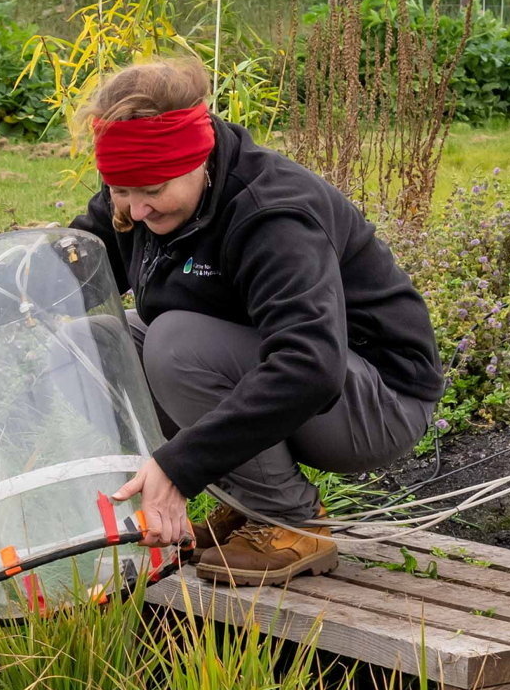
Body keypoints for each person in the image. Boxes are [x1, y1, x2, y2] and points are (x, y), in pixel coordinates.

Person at [71, 56, 443, 587]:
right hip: (287, 377)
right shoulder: (136, 197)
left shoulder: (273, 215)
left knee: (174, 342)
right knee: (95, 341)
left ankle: (290, 522)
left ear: (197, 160)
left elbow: (310, 367)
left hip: (375, 400)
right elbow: (69, 272)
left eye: (152, 191)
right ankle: (247, 503)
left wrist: (180, 465)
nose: (138, 211)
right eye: (121, 191)